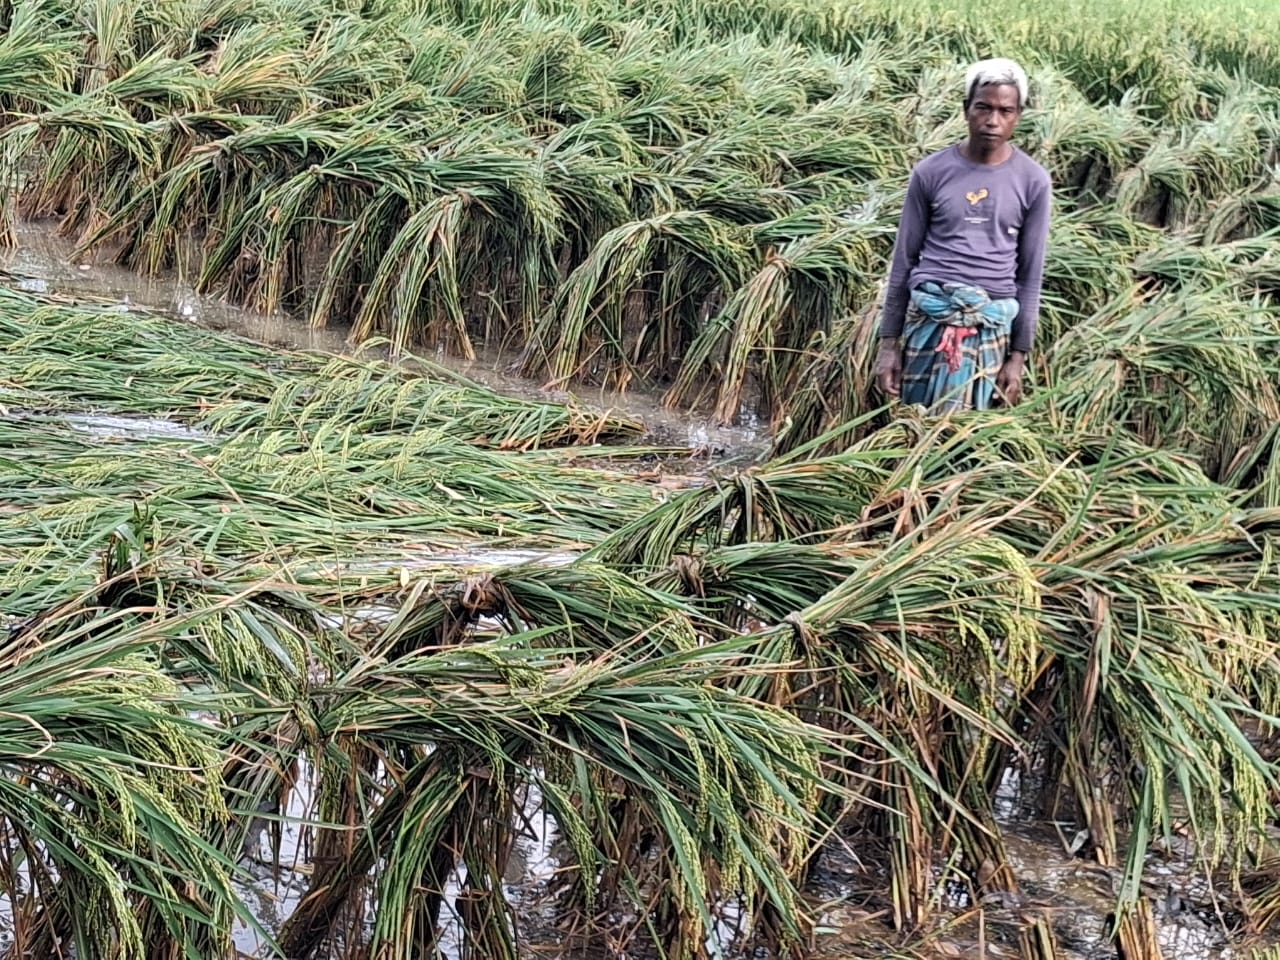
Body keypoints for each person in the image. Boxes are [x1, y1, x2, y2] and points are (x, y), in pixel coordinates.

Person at [875, 57, 1052, 413]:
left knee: (964, 442)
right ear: (966, 109)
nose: (992, 121)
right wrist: (888, 345)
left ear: (1019, 115)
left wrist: (1017, 358)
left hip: (989, 326)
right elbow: (904, 261)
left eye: (1005, 111)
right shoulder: (931, 172)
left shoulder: (1033, 181)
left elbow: (1030, 277)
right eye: (983, 108)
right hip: (929, 319)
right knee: (913, 425)